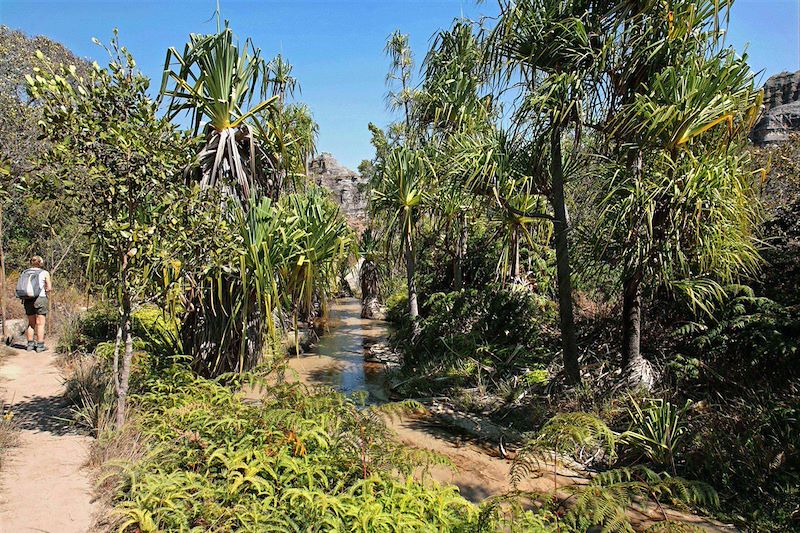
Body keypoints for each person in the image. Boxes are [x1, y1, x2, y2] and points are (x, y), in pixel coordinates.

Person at [21, 256, 52, 352]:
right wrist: (46, 289)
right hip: (40, 298)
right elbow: (49, 288)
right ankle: (40, 345)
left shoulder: (25, 272)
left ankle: (30, 345)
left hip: (27, 299)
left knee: (31, 323)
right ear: (40, 263)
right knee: (40, 323)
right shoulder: (44, 273)